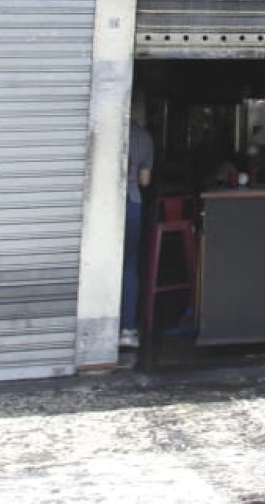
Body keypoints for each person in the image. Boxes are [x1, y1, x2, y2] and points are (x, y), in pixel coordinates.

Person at [120, 100, 156, 350]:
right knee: (129, 264)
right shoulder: (144, 138)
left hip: (104, 206)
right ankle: (127, 329)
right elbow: (145, 181)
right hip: (132, 203)